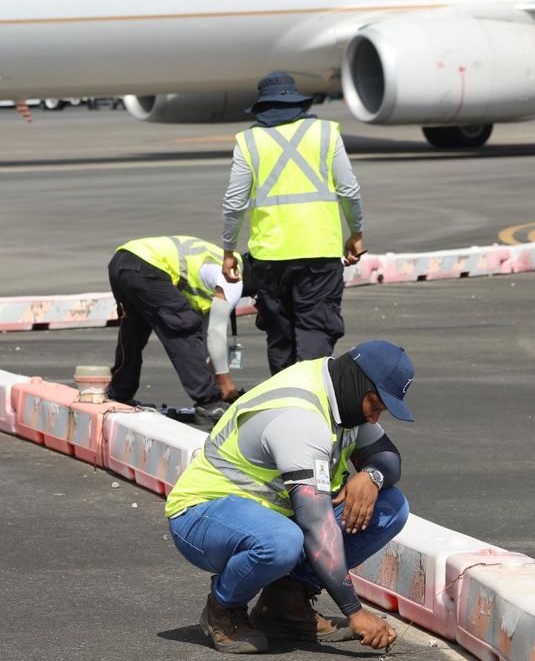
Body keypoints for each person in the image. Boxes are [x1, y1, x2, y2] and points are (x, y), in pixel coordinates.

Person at [165, 340, 414, 654]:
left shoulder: (343, 396)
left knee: (391, 507)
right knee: (283, 542)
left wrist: (372, 476)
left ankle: (285, 604)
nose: (375, 418)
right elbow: (316, 526)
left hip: (272, 516)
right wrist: (355, 611)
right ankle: (222, 608)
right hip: (203, 514)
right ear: (359, 383)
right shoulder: (302, 417)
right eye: (375, 406)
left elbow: (389, 457)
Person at [221, 71, 364, 375]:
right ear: (298, 103)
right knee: (317, 329)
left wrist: (228, 250)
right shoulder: (325, 133)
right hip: (320, 252)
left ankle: (284, 405)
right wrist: (356, 232)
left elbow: (234, 203)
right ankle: (312, 402)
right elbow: (349, 189)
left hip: (270, 257)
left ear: (262, 107)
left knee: (280, 335)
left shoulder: (249, 142)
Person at [107, 235, 256, 426]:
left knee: (134, 331)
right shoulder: (233, 277)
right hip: (147, 266)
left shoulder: (217, 262)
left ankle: (120, 391)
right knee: (182, 325)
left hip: (122, 260)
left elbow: (205, 339)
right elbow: (215, 333)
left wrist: (215, 375)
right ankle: (208, 403)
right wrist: (224, 384)